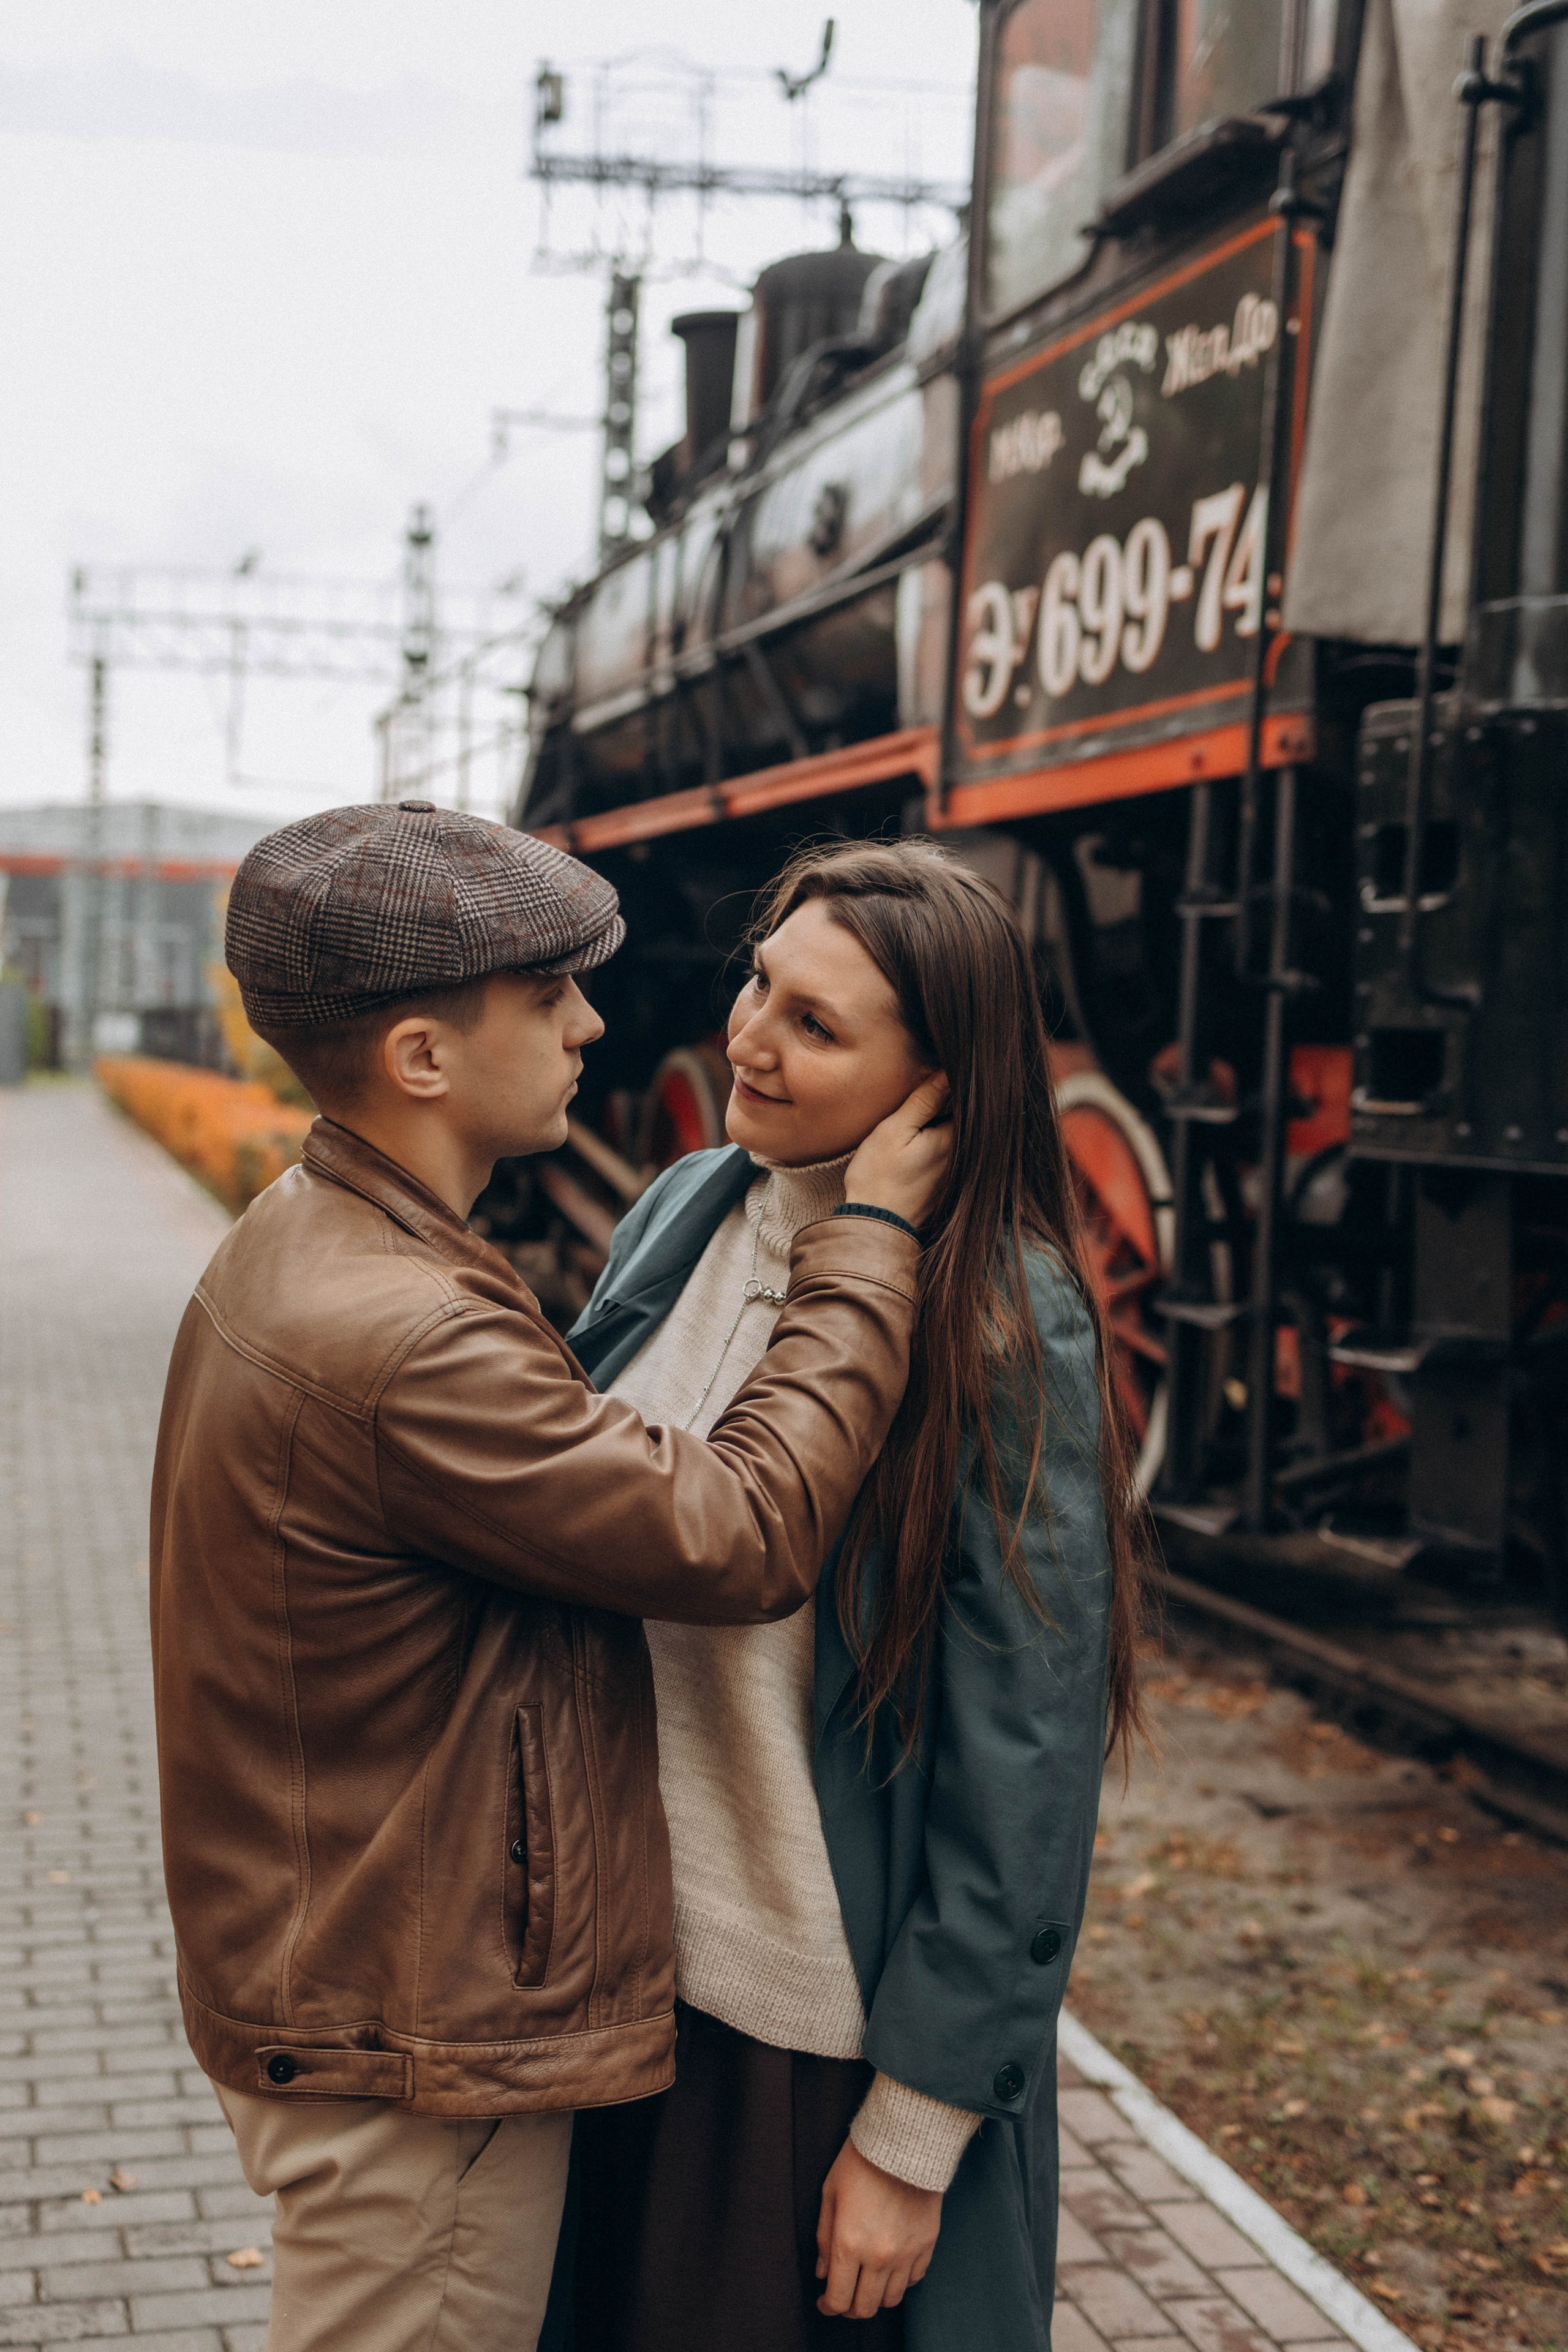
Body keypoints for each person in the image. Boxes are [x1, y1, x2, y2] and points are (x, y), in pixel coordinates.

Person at [148, 800, 951, 2352]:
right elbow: (737, 1530)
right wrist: (864, 1246)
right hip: (408, 2039)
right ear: (423, 1060)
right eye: (546, 995)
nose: (596, 1020)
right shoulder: (409, 1336)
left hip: (351, 1973)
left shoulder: (304, 1233)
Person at [565, 838, 1148, 2352]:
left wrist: (915, 2130)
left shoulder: (1001, 1317)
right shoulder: (690, 1205)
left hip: (792, 2037)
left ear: (938, 1085)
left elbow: (1024, 1770)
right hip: (611, 1983)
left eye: (814, 1026)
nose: (746, 1038)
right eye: (759, 984)